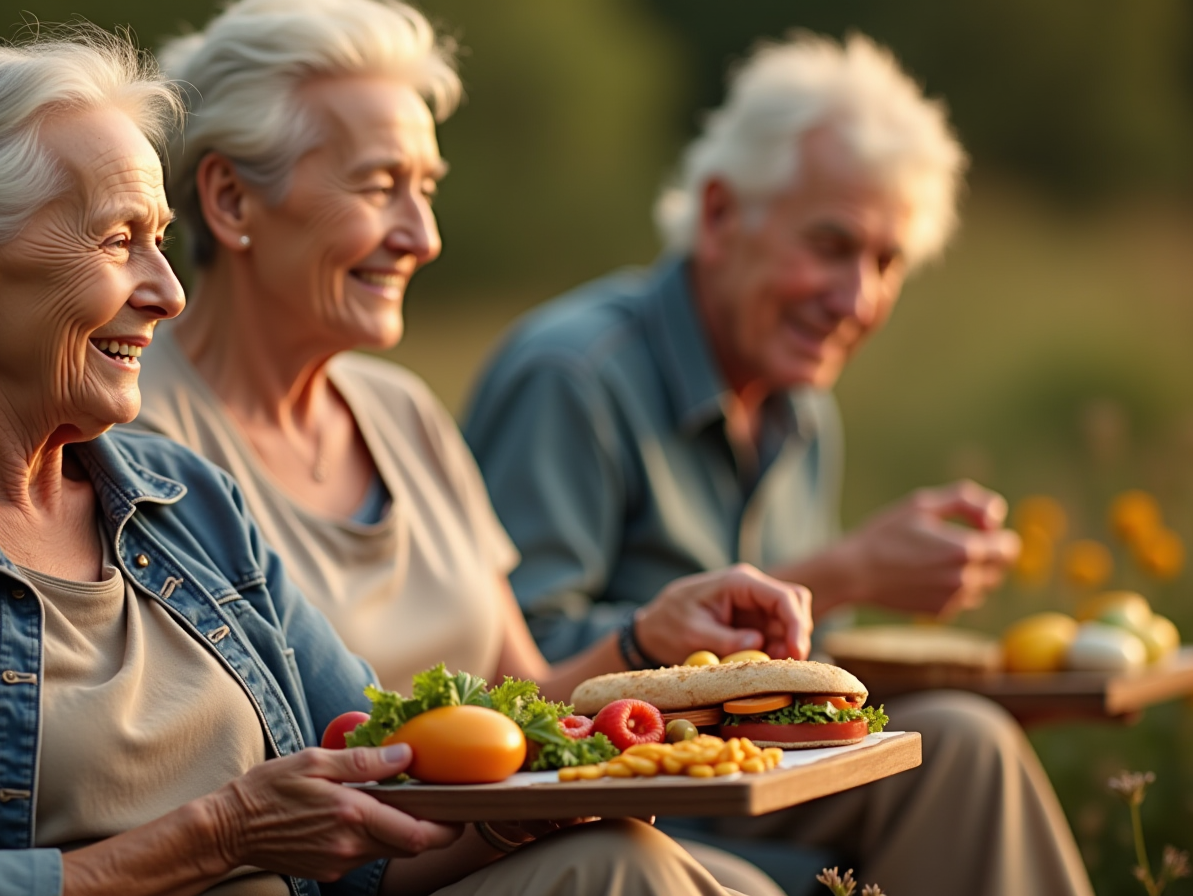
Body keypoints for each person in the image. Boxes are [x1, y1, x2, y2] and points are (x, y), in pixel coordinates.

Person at [0, 29, 740, 896]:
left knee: (616, 853)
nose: (167, 288)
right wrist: (223, 832)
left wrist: (542, 799)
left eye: (163, 240)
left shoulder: (182, 499)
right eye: (120, 239)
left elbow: (376, 799)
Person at [135, 4, 805, 892]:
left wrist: (647, 639)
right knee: (623, 870)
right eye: (379, 186)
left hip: (479, 852)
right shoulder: (139, 441)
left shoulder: (402, 412)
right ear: (228, 198)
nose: (423, 236)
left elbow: (525, 697)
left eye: (428, 187)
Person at [463, 34, 1094, 896]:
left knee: (967, 737)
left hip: (750, 787)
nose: (859, 298)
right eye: (831, 246)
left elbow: (790, 683)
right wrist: (851, 568)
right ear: (720, 215)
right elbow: (510, 677)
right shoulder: (573, 377)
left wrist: (1019, 681)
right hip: (613, 813)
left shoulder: (802, 406)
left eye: (887, 261)